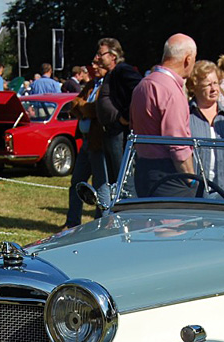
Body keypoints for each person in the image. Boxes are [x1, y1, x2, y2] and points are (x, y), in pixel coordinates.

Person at [129, 33, 197, 197]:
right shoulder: (171, 90)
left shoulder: (143, 85)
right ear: (187, 59)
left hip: (143, 170)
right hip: (168, 176)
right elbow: (177, 144)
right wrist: (193, 181)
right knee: (174, 222)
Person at [187, 60, 224, 194]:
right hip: (195, 194)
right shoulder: (185, 117)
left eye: (215, 83)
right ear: (194, 88)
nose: (214, 89)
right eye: (208, 85)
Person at [64, 62, 109, 228]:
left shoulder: (108, 85)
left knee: (101, 186)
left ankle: (102, 224)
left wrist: (83, 107)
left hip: (99, 143)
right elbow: (74, 103)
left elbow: (95, 109)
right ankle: (72, 223)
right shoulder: (91, 84)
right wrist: (83, 107)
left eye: (97, 64)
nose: (94, 67)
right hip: (86, 141)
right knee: (76, 182)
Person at [95, 37, 142, 189]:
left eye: (101, 54)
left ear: (113, 56)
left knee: (123, 178)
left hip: (120, 132)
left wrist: (125, 117)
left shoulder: (122, 70)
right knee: (115, 179)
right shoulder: (110, 74)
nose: (97, 57)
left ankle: (128, 209)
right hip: (110, 131)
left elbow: (140, 90)